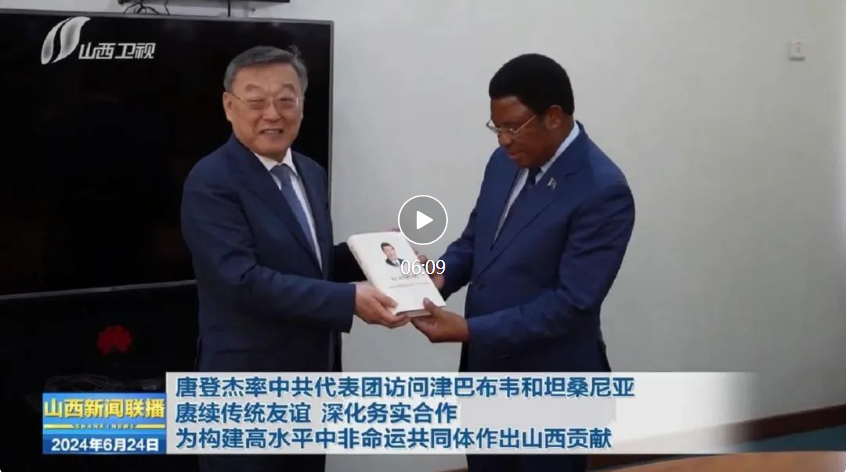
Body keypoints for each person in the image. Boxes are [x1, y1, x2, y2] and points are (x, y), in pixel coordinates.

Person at [180, 45, 407, 472]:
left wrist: (375, 253)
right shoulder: (211, 181)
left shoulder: (310, 172)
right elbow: (241, 280)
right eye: (256, 101)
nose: (273, 114)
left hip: (311, 382)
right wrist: (348, 300)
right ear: (229, 106)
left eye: (286, 99)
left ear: (302, 104)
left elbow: (310, 264)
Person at [411, 53, 635, 472]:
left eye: (512, 127)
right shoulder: (505, 162)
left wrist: (468, 330)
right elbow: (475, 242)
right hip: (486, 377)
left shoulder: (602, 190)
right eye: (496, 127)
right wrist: (433, 277)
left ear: (554, 117)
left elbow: (571, 304)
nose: (503, 140)